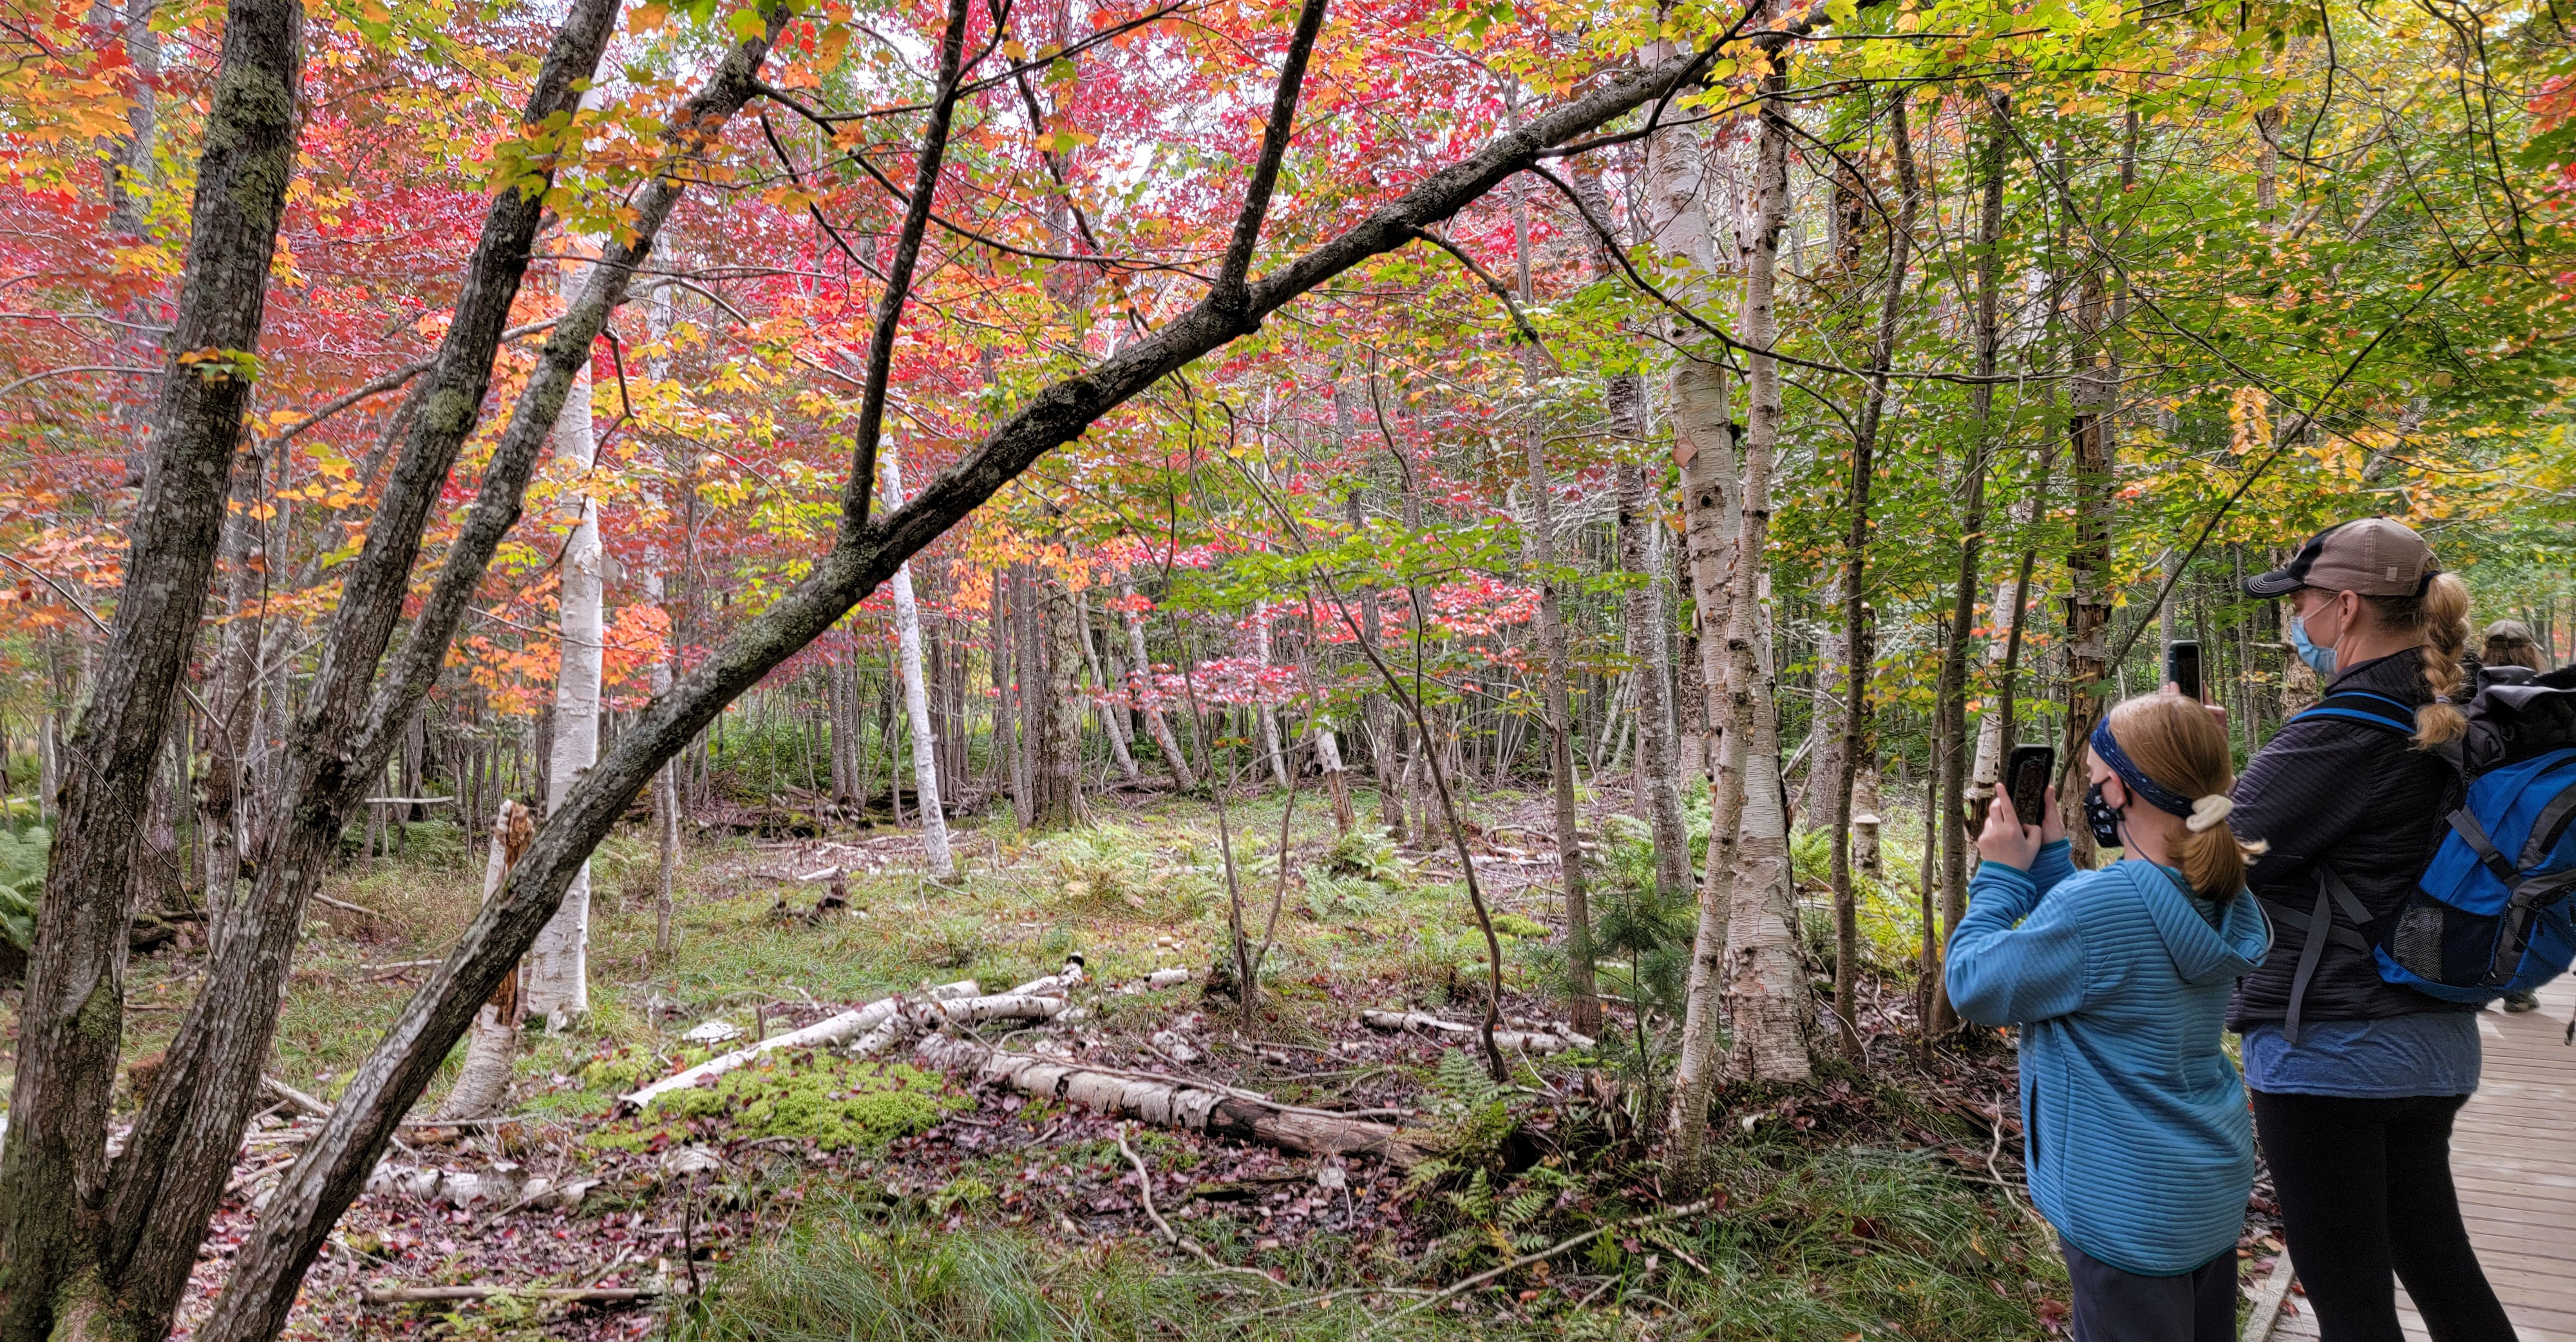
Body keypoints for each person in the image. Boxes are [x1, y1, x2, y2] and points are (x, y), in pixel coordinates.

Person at [2234, 518, 2517, 1342]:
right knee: (2441, 1268)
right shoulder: (2451, 709)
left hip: (2332, 1049)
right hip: (2432, 1038)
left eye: (2303, 602)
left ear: (2346, 606)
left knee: (2352, 1301)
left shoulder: (2341, 729)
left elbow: (2214, 856)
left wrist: (2197, 782)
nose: (2297, 621)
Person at [1948, 693, 2272, 1342]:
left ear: (2120, 790)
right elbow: (2101, 942)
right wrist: (2046, 864)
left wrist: (1999, 876)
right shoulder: (2217, 885)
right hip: (2201, 1185)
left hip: (2125, 1202)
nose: (2095, 792)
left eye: (2097, 780)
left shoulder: (2102, 906)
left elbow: (1972, 984)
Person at [2479, 619, 2548, 1013]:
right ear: (2531, 649)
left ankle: (2472, 977)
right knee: (2523, 895)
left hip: (2478, 811)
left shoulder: (2470, 688)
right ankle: (2517, 986)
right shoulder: (2546, 694)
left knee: (2479, 894)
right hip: (2531, 812)